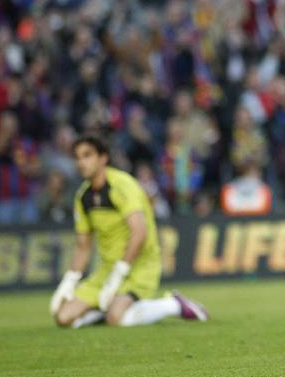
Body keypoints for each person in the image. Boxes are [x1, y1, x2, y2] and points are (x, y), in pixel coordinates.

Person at [50, 135, 207, 328]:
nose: (81, 162)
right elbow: (83, 247)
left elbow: (139, 233)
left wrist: (120, 271)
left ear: (103, 158)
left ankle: (173, 305)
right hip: (106, 270)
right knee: (63, 318)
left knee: (116, 318)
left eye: (87, 156)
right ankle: (104, 308)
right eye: (78, 157)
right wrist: (70, 280)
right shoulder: (83, 196)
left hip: (139, 267)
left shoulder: (122, 185)